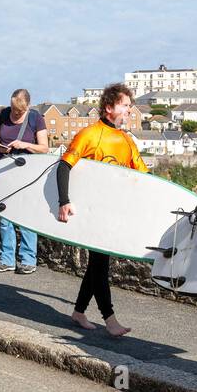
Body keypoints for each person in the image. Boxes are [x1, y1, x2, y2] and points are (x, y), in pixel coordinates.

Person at [56, 83, 145, 337]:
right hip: (91, 212)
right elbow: (64, 166)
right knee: (100, 263)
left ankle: (79, 311)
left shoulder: (127, 141)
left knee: (97, 263)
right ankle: (110, 319)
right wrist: (64, 201)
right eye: (125, 105)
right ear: (108, 107)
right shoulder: (90, 134)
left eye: (130, 106)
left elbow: (143, 177)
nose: (130, 110)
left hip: (113, 212)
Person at [0, 89, 48, 274]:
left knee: (25, 217)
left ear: (27, 107)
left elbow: (44, 148)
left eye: (19, 111)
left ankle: (28, 260)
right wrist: (0, 147)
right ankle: (7, 260)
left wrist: (25, 145)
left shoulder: (35, 119)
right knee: (5, 218)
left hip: (26, 175)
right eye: (13, 109)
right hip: (4, 172)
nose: (15, 114)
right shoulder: (2, 114)